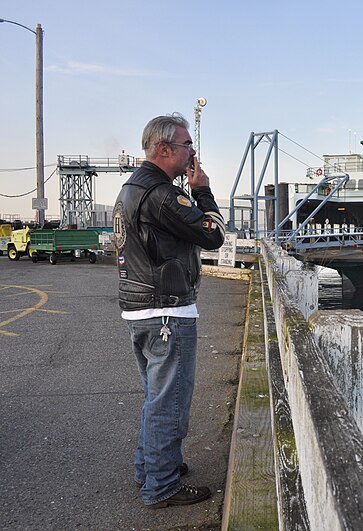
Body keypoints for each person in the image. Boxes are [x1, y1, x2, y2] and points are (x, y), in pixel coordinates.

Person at [112, 113, 225, 508]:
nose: (192, 151)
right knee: (170, 401)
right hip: (167, 312)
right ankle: (161, 487)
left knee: (156, 397)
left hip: (140, 309)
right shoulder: (162, 195)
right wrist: (204, 192)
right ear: (164, 149)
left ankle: (153, 468)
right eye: (187, 145)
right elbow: (213, 235)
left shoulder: (130, 189)